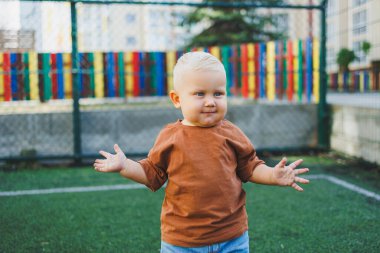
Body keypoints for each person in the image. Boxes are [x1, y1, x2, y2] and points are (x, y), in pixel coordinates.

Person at [93, 51, 310, 253]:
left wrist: (273, 174)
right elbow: (152, 173)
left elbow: (250, 168)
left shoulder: (232, 133)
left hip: (232, 237)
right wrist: (125, 166)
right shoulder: (170, 137)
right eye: (199, 94)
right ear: (177, 99)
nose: (210, 102)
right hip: (181, 241)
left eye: (218, 93)